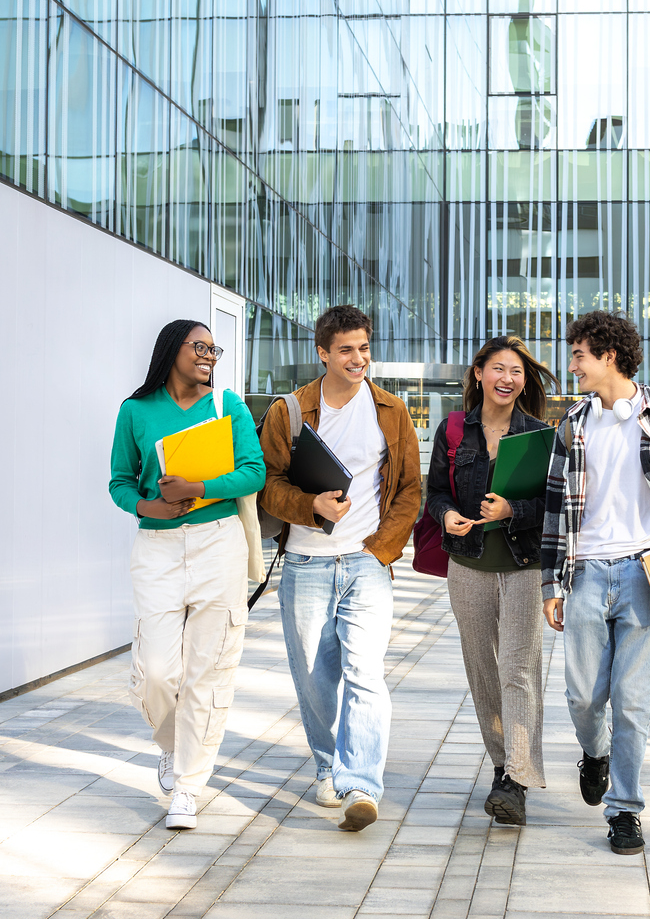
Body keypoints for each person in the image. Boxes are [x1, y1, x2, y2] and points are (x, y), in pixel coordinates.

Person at [541, 311, 650, 854]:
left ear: (609, 356)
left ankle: (625, 810)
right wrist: (552, 584)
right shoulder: (572, 425)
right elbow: (553, 512)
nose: (572, 367)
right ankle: (595, 754)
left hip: (647, 574)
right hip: (587, 573)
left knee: (632, 701)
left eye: (579, 357)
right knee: (584, 698)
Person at [259, 305, 421, 831]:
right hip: (305, 563)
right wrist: (313, 508)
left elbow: (409, 491)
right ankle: (328, 766)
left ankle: (362, 784)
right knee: (314, 678)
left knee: (365, 674)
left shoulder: (391, 411)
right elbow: (268, 486)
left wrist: (381, 550)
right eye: (346, 350)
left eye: (365, 348)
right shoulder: (290, 411)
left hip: (365, 564)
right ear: (323, 352)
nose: (359, 359)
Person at [109, 319, 266, 830]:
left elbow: (253, 471)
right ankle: (175, 749)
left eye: (213, 349)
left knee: (208, 670)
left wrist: (197, 486)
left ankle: (188, 786)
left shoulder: (228, 406)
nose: (209, 355)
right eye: (199, 346)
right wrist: (146, 506)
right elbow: (119, 481)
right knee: (157, 671)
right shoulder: (135, 410)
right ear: (171, 350)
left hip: (217, 541)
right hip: (156, 547)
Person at [426, 336, 559, 827]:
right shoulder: (454, 430)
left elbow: (555, 507)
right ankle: (503, 766)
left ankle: (517, 781)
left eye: (517, 371)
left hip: (524, 567)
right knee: (483, 670)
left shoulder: (541, 435)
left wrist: (512, 511)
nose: (508, 378)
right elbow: (436, 492)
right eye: (498, 368)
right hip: (468, 566)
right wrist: (447, 517)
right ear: (479, 373)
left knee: (518, 670)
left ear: (525, 381)